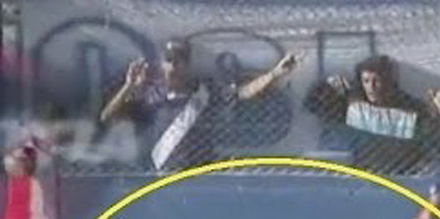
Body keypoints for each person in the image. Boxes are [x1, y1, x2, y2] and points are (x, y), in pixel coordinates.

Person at [99, 38, 300, 171]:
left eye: (179, 60)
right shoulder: (150, 98)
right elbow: (107, 117)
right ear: (161, 64)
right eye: (169, 60)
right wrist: (128, 87)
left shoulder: (205, 91)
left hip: (201, 173)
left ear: (187, 64)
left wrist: (274, 74)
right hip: (163, 176)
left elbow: (243, 93)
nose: (174, 66)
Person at [303, 55, 440, 174]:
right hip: (359, 176)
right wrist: (327, 86)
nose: (372, 87)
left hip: (401, 177)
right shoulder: (352, 105)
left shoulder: (410, 111)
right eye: (366, 81)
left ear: (389, 81)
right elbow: (313, 105)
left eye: (377, 80)